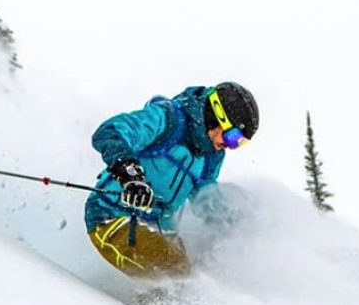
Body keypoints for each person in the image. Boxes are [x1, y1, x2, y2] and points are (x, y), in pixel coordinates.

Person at [85, 82, 259, 277]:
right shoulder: (167, 120)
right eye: (234, 137)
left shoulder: (212, 155)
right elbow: (110, 132)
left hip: (161, 228)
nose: (230, 146)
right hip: (113, 216)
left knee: (200, 272)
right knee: (175, 274)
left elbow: (205, 195)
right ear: (216, 115)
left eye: (240, 143)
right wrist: (130, 175)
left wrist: (229, 221)